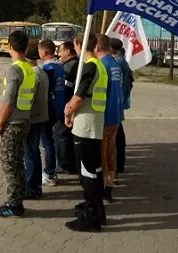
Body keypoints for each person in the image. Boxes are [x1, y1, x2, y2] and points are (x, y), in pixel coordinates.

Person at [64, 32, 107, 232]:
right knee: (95, 171)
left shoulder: (90, 66)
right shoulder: (100, 65)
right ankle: (97, 210)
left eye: (75, 45)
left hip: (86, 125)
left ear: (80, 44)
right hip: (94, 123)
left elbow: (79, 97)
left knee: (87, 173)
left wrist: (68, 110)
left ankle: (91, 218)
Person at [0, 30, 34, 218]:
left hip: (13, 123)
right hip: (25, 121)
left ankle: (14, 204)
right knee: (18, 161)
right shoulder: (29, 68)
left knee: (10, 163)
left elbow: (8, 100)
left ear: (9, 46)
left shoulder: (14, 69)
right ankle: (19, 197)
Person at [96, 35, 123, 202]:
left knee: (102, 156)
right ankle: (110, 184)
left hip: (105, 116)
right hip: (115, 115)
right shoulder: (115, 64)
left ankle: (105, 188)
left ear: (98, 46)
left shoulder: (102, 65)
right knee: (109, 154)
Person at [38, 39, 67, 185]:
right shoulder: (61, 67)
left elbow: (44, 91)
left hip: (49, 109)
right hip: (60, 107)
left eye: (39, 51)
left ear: (44, 52)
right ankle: (53, 170)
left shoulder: (48, 69)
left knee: (47, 143)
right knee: (52, 141)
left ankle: (49, 173)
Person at [23, 41, 49, 200]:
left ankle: (31, 187)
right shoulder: (42, 72)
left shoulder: (32, 75)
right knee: (34, 152)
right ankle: (36, 186)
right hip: (42, 117)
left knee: (29, 154)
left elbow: (29, 100)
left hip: (33, 119)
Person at [110, 39, 133, 176]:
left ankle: (118, 165)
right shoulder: (121, 61)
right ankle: (119, 163)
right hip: (120, 101)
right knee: (118, 133)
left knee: (116, 135)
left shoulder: (117, 63)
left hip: (116, 103)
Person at [56, 41, 78, 173]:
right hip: (70, 106)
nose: (58, 54)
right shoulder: (74, 64)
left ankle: (65, 164)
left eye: (60, 51)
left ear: (68, 51)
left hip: (68, 106)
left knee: (62, 135)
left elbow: (66, 88)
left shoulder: (70, 66)